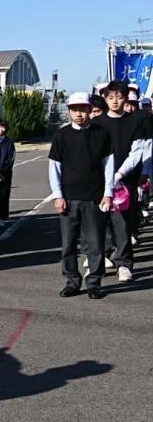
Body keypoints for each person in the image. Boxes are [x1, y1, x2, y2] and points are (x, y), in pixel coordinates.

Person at [49, 92, 114, 299]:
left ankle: (94, 282)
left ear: (89, 110)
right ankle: (72, 281)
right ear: (69, 111)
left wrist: (108, 193)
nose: (79, 114)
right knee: (68, 244)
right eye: (74, 109)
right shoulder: (62, 135)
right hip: (68, 198)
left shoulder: (101, 133)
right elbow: (55, 167)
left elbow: (108, 165)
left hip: (94, 198)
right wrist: (57, 196)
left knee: (95, 243)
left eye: (83, 109)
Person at [90, 81, 147, 282]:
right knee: (99, 221)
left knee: (123, 223)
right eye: (111, 97)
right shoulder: (97, 123)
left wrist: (120, 174)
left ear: (126, 98)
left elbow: (137, 151)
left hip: (125, 180)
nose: (115, 101)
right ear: (105, 98)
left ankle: (124, 263)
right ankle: (100, 258)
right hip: (100, 181)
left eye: (119, 97)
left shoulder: (135, 121)